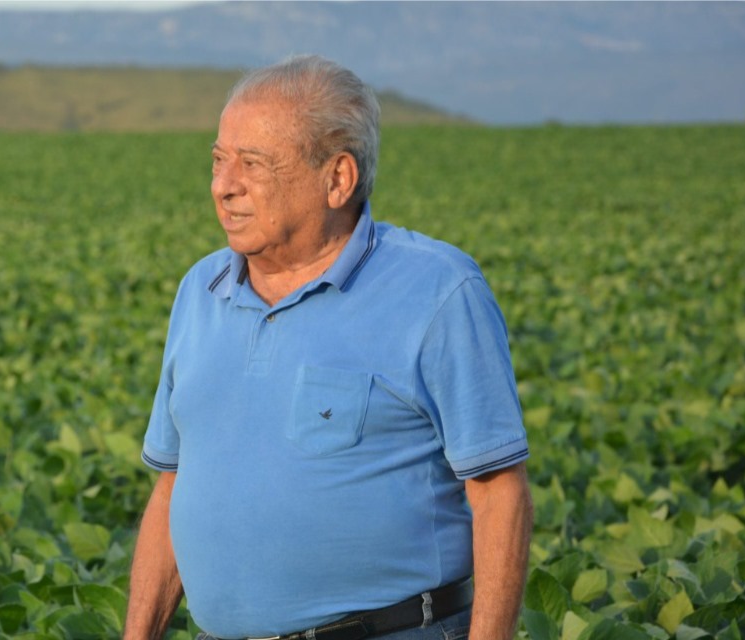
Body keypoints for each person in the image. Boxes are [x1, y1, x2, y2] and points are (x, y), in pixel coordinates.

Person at [124, 55, 533, 640]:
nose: (223, 186)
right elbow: (175, 485)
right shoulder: (201, 291)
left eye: (252, 164)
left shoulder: (436, 290)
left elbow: (498, 494)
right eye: (218, 161)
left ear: (337, 178)